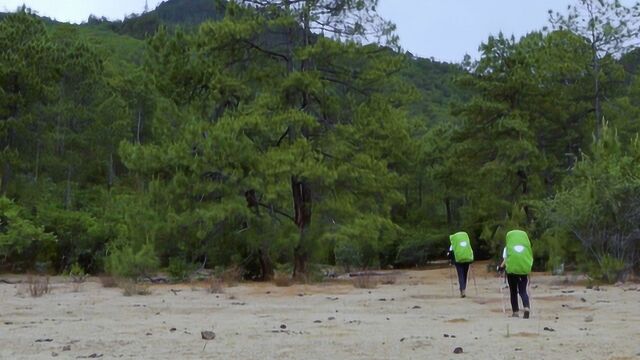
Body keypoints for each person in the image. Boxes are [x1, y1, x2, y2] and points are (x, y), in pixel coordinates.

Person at [498, 229, 533, 318]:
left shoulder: (508, 247)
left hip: (512, 272)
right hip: (523, 271)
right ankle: (526, 307)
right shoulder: (526, 247)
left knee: (513, 291)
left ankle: (515, 312)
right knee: (523, 291)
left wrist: (501, 268)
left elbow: (505, 259)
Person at [448, 231, 474, 298]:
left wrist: (451, 261)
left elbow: (450, 253)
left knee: (460, 274)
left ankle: (462, 290)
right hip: (466, 260)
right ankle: (464, 289)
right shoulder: (466, 242)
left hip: (458, 261)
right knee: (465, 274)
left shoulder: (454, 243)